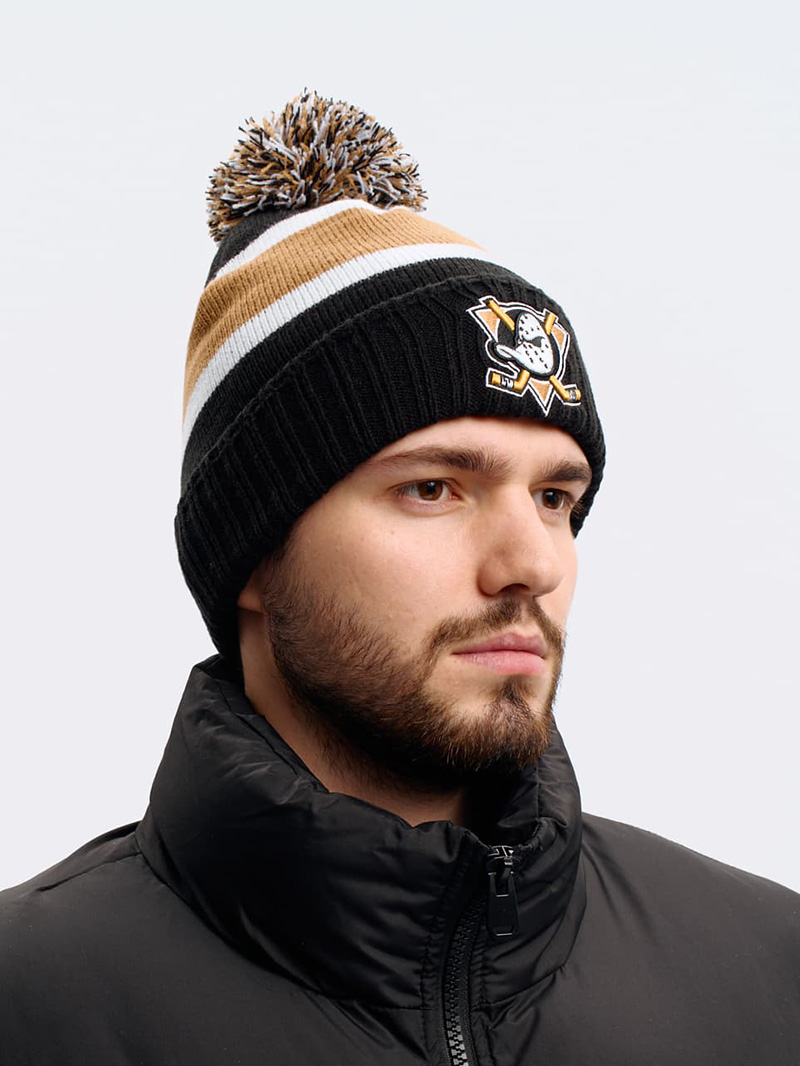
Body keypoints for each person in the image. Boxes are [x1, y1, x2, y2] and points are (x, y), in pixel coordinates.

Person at [1, 90, 798, 1066]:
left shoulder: (765, 968)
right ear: (253, 551)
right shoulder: (29, 1001)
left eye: (554, 496)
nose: (532, 564)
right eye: (432, 488)